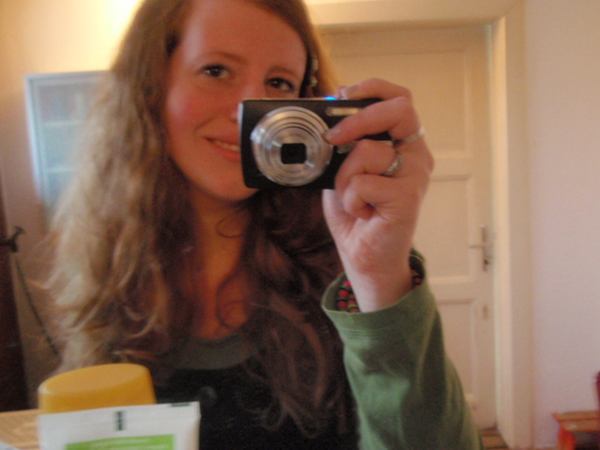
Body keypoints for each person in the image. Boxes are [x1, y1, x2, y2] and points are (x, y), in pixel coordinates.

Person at [48, 0, 484, 448]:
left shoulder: (349, 265)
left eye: (278, 83)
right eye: (216, 70)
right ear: (151, 86)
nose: (246, 113)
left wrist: (379, 280)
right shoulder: (108, 268)